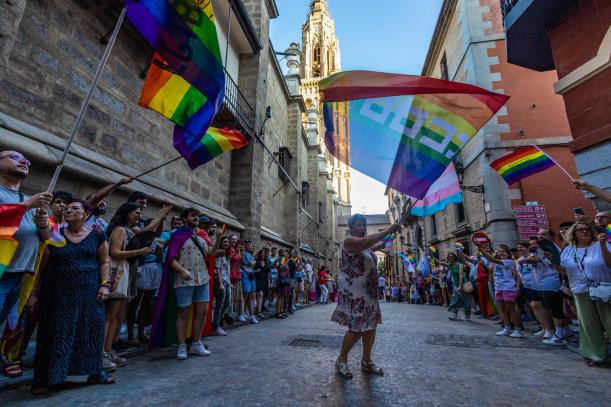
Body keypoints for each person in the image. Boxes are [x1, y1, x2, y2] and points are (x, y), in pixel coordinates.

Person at [31, 199, 114, 394]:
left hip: (90, 294)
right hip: (59, 294)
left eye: (74, 208)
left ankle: (95, 372)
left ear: (86, 214)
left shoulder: (97, 235)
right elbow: (42, 263)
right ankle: (48, 378)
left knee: (92, 332)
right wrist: (35, 291)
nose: (69, 211)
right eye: (67, 209)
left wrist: (104, 286)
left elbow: (104, 261)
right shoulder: (56, 234)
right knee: (58, 334)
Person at [0, 150, 53, 378]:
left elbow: (51, 236)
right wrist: (28, 205)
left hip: (23, 273)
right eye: (13, 156)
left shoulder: (27, 199)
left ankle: (6, 356)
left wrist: (43, 224)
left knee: (12, 321)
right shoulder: (26, 201)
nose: (23, 161)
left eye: (27, 160)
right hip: (3, 271)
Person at [332, 214, 400, 378]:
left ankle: (367, 361)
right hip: (356, 294)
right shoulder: (349, 241)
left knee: (371, 326)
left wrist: (392, 233)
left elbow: (375, 245)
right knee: (356, 328)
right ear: (351, 227)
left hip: (368, 294)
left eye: (364, 225)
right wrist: (388, 230)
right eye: (359, 225)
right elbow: (365, 243)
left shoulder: (366, 247)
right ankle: (341, 360)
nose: (362, 228)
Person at [104, 203, 154, 370]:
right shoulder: (119, 230)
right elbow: (114, 253)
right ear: (127, 213)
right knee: (110, 316)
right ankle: (101, 353)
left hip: (125, 272)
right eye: (136, 212)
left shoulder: (129, 231)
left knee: (118, 315)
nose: (139, 215)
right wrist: (139, 252)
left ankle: (108, 349)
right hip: (117, 272)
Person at [554, 221, 611, 366]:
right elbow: (564, 270)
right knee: (588, 324)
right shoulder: (568, 250)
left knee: (609, 321)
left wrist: (603, 245)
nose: (584, 232)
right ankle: (597, 355)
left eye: (587, 229)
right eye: (580, 230)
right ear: (574, 233)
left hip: (602, 288)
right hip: (580, 290)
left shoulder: (600, 244)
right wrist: (552, 261)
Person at [168, 208, 222, 359]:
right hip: (184, 279)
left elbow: (210, 254)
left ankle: (196, 343)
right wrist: (182, 271)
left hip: (202, 278)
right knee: (184, 313)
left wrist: (218, 239)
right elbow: (170, 258)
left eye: (197, 216)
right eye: (193, 215)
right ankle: (182, 346)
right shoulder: (178, 235)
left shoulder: (202, 236)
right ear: (185, 218)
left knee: (203, 311)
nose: (196, 218)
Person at [477, 244, 523, 338]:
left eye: (503, 251)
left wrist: (482, 250)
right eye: (499, 251)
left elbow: (492, 259)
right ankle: (507, 328)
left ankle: (518, 330)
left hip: (508, 288)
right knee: (502, 309)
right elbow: (491, 270)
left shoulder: (509, 261)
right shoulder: (495, 262)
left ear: (508, 253)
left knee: (511, 309)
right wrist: (484, 265)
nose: (501, 252)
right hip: (498, 288)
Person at [515, 242, 554, 339]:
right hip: (526, 286)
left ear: (527, 248)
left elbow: (540, 262)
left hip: (537, 284)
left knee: (539, 306)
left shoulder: (535, 255)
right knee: (534, 307)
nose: (519, 249)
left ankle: (550, 329)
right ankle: (544, 327)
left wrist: (525, 261)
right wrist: (518, 286)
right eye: (518, 248)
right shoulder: (520, 260)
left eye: (522, 247)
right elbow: (519, 275)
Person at [212, 236, 231, 336]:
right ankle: (216, 326)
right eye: (224, 241)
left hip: (227, 281)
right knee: (219, 304)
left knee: (227, 304)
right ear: (220, 243)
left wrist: (229, 282)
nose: (226, 243)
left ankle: (217, 321)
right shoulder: (219, 253)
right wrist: (220, 284)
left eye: (227, 242)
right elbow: (218, 269)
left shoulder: (226, 254)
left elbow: (227, 269)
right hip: (220, 282)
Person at [444, 253, 472, 321]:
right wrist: (432, 256)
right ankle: (454, 314)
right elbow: (439, 263)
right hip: (456, 285)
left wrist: (460, 286)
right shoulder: (449, 265)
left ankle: (467, 315)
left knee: (466, 300)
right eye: (449, 257)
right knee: (455, 300)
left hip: (463, 284)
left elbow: (461, 276)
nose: (451, 257)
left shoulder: (459, 265)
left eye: (452, 256)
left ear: (455, 257)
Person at [240, 240, 258, 324]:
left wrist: (253, 263)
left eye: (251, 244)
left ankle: (250, 314)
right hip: (245, 275)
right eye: (248, 244)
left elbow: (252, 265)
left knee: (250, 295)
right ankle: (241, 313)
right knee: (245, 294)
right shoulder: (243, 253)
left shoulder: (250, 254)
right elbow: (251, 264)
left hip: (251, 275)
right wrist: (253, 263)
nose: (250, 246)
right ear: (245, 245)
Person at [254, 249, 270, 319]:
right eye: (261, 253)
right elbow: (252, 270)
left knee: (263, 295)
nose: (263, 254)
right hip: (258, 279)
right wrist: (256, 271)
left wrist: (269, 282)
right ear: (259, 254)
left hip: (265, 280)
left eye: (264, 253)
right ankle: (258, 312)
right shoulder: (257, 262)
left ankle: (259, 310)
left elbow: (268, 272)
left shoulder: (266, 262)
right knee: (260, 295)